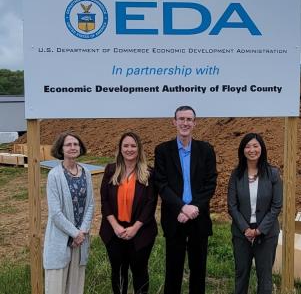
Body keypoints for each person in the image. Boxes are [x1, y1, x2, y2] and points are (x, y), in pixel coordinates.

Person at [153, 105, 218, 294]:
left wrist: (193, 208)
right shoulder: (163, 150)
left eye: (189, 119)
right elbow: (161, 184)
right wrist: (182, 208)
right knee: (173, 270)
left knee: (199, 270)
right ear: (174, 122)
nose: (185, 123)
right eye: (181, 119)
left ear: (195, 123)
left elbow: (210, 182)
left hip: (199, 217)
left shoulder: (206, 149)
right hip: (175, 218)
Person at [99, 132, 157, 294]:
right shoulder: (111, 170)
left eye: (133, 145)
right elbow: (104, 201)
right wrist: (116, 226)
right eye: (126, 146)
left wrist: (135, 228)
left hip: (141, 231)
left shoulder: (148, 173)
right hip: (114, 231)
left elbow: (150, 203)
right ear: (120, 148)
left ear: (139, 149)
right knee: (118, 272)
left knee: (140, 271)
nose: (129, 149)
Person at [227, 133, 283, 294]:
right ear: (242, 150)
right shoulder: (236, 175)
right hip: (241, 233)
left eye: (255, 146)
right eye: (247, 146)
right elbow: (232, 205)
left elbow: (277, 205)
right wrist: (246, 229)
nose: (252, 150)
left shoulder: (273, 173)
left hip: (267, 233)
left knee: (265, 277)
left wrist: (259, 230)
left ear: (262, 148)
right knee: (241, 274)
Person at [43, 132, 94, 294]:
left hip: (80, 241)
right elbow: (55, 213)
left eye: (76, 144)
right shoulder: (54, 175)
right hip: (61, 240)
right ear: (61, 149)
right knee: (56, 288)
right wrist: (74, 234)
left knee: (75, 288)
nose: (73, 147)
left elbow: (90, 205)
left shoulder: (86, 172)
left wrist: (82, 233)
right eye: (68, 144)